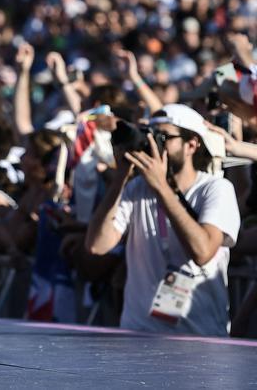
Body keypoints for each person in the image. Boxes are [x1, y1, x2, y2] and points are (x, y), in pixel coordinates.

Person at [85, 104, 241, 336]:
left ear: (191, 145)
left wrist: (161, 187)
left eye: (163, 137)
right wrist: (120, 178)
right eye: (150, 135)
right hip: (138, 334)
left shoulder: (215, 189)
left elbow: (202, 251)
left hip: (200, 342)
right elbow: (97, 245)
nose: (154, 144)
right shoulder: (137, 188)